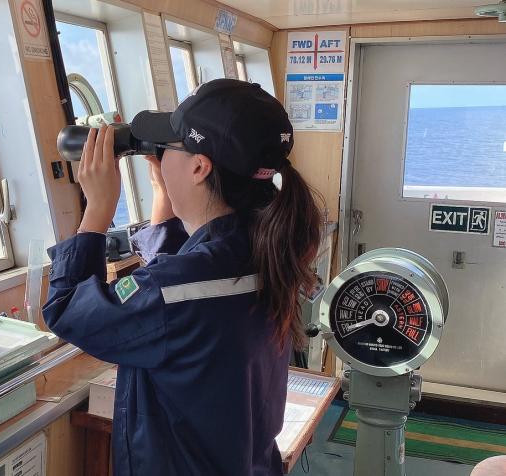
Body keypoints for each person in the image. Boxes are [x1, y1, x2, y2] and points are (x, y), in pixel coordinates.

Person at [42, 79, 322, 475]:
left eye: (168, 146)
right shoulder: (266, 249)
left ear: (198, 167)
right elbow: (178, 275)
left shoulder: (184, 286)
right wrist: (163, 192)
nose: (159, 155)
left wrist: (98, 208)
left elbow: (67, 309)